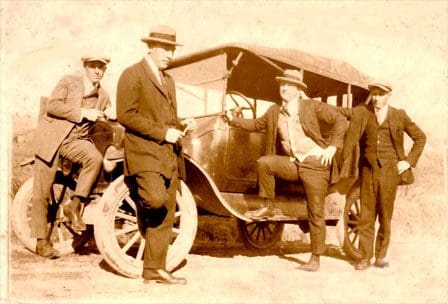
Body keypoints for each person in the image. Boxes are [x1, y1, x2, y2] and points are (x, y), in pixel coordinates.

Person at [225, 69, 347, 271]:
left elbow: (340, 120)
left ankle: (315, 258)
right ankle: (268, 206)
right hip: (294, 163)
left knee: (315, 211)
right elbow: (256, 125)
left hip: (315, 165)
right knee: (265, 162)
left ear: (299, 90)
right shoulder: (275, 111)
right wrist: (233, 120)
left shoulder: (311, 106)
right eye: (282, 84)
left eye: (290, 85)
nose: (284, 88)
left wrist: (332, 147)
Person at [116, 25, 195, 285]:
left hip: (167, 156)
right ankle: (138, 208)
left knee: (167, 210)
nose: (170, 54)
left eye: (172, 49)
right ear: (150, 47)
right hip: (143, 153)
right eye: (165, 48)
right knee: (156, 201)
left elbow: (167, 118)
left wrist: (183, 123)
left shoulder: (168, 80)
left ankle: (154, 270)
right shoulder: (132, 74)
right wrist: (163, 133)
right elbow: (126, 115)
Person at [32, 55, 112, 259]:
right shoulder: (69, 81)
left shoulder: (103, 95)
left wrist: (111, 114)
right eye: (93, 66)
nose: (97, 71)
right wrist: (82, 112)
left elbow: (107, 117)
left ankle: (74, 205)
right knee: (42, 191)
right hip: (52, 139)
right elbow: (52, 106)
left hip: (76, 142)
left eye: (101, 67)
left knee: (94, 158)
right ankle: (42, 242)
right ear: (85, 67)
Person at [341, 82, 426, 270]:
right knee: (366, 215)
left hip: (390, 173)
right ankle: (365, 257)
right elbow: (344, 113)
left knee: (385, 216)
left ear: (389, 95)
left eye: (380, 94)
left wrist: (408, 161)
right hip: (368, 171)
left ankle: (380, 256)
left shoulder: (399, 115)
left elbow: (420, 137)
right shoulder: (363, 112)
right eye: (374, 94)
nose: (377, 98)